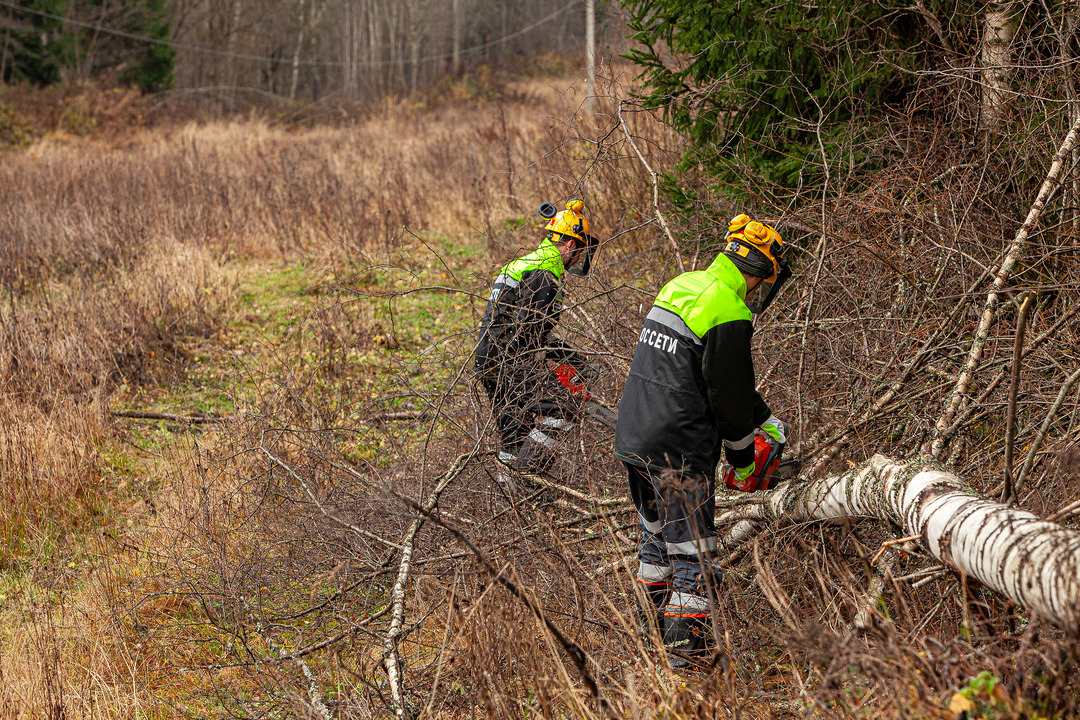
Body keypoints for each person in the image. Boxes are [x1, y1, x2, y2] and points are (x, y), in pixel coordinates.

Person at [613, 214, 791, 665]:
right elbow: (728, 401)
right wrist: (745, 459)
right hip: (677, 448)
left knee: (656, 544)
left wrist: (764, 417)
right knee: (693, 556)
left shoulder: (683, 284)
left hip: (635, 436)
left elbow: (715, 375)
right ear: (760, 273)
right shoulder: (729, 309)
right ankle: (685, 664)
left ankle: (646, 639)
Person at [476, 199, 599, 487]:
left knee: (514, 428)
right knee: (563, 408)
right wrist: (568, 369)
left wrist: (571, 359)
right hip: (508, 359)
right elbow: (529, 332)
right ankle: (527, 480)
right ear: (569, 245)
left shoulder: (529, 262)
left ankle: (509, 495)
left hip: (488, 358)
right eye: (578, 251)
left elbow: (528, 329)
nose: (578, 258)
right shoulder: (545, 272)